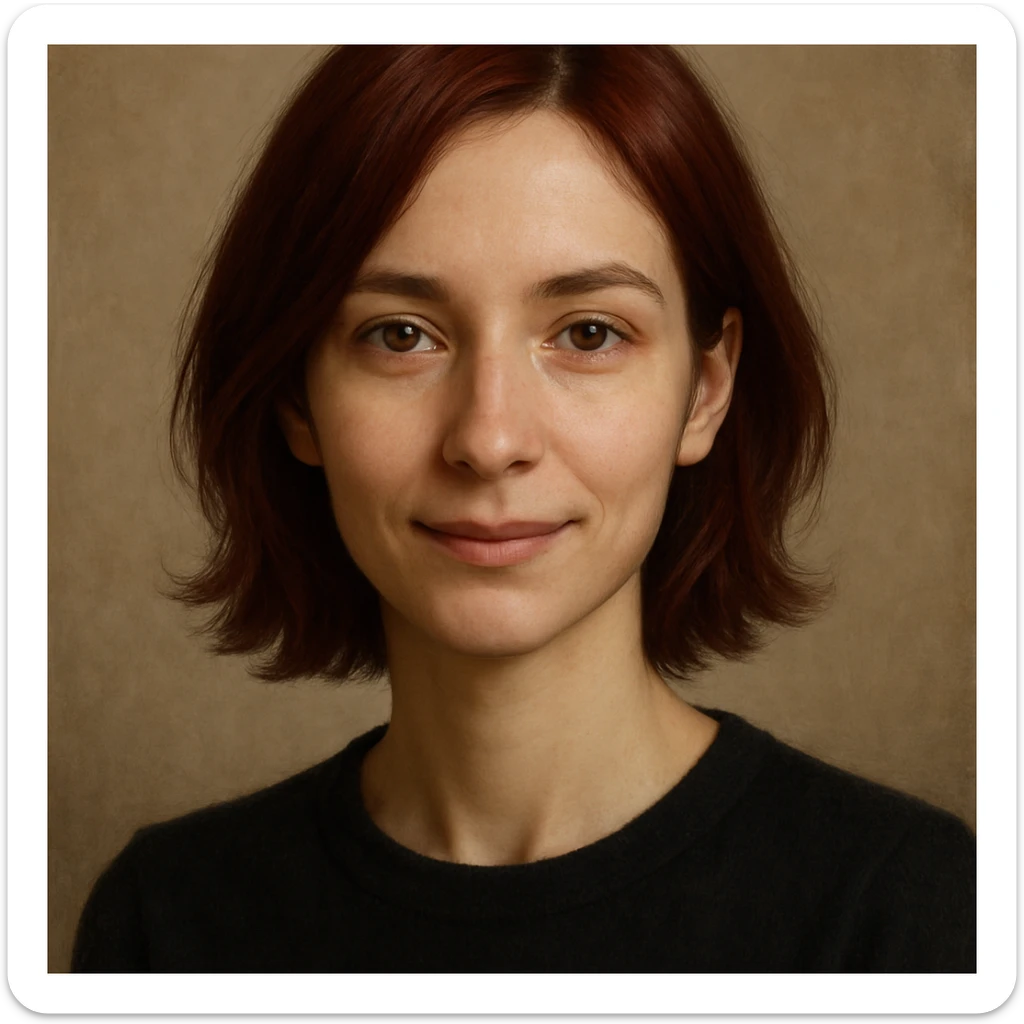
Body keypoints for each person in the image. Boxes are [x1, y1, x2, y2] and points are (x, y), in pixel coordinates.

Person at [70, 44, 975, 973]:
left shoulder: (916, 917)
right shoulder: (165, 925)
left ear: (705, 390)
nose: (490, 437)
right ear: (296, 400)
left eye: (589, 333)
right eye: (401, 336)